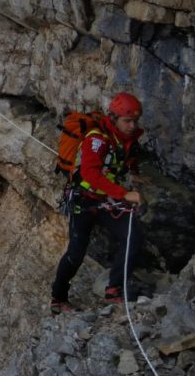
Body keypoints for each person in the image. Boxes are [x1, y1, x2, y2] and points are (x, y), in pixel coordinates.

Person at [50, 92, 145, 314]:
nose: (132, 126)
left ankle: (114, 291)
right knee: (76, 252)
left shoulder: (122, 137)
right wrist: (124, 194)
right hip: (83, 200)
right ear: (113, 118)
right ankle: (58, 298)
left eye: (135, 121)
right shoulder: (97, 139)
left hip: (104, 201)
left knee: (133, 235)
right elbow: (91, 175)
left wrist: (134, 172)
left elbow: (123, 156)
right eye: (127, 121)